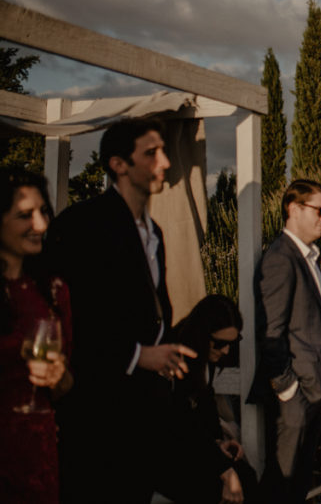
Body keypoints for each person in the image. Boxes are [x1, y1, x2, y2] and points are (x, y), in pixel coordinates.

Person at [48, 117, 215, 502]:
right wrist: (138, 355)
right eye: (151, 153)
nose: (165, 163)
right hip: (96, 415)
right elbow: (67, 318)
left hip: (144, 414)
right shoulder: (83, 224)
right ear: (118, 164)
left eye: (164, 152)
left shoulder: (154, 232)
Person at [249, 179, 321, 503]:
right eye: (319, 211)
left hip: (313, 391)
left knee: (298, 483)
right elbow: (271, 330)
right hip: (295, 396)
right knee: (283, 484)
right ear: (294, 209)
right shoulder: (281, 258)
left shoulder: (308, 257)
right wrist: (288, 388)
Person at [0, 168, 71, 504]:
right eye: (25, 215)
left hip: (35, 454)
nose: (41, 225)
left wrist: (57, 378)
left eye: (43, 212)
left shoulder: (52, 291)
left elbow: (68, 385)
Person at [169, 295, 259, 502]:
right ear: (202, 335)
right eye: (219, 344)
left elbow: (204, 409)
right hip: (169, 451)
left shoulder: (204, 360)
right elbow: (181, 424)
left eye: (232, 343)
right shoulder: (177, 360)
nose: (226, 350)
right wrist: (223, 469)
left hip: (193, 446)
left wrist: (219, 441)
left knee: (245, 476)